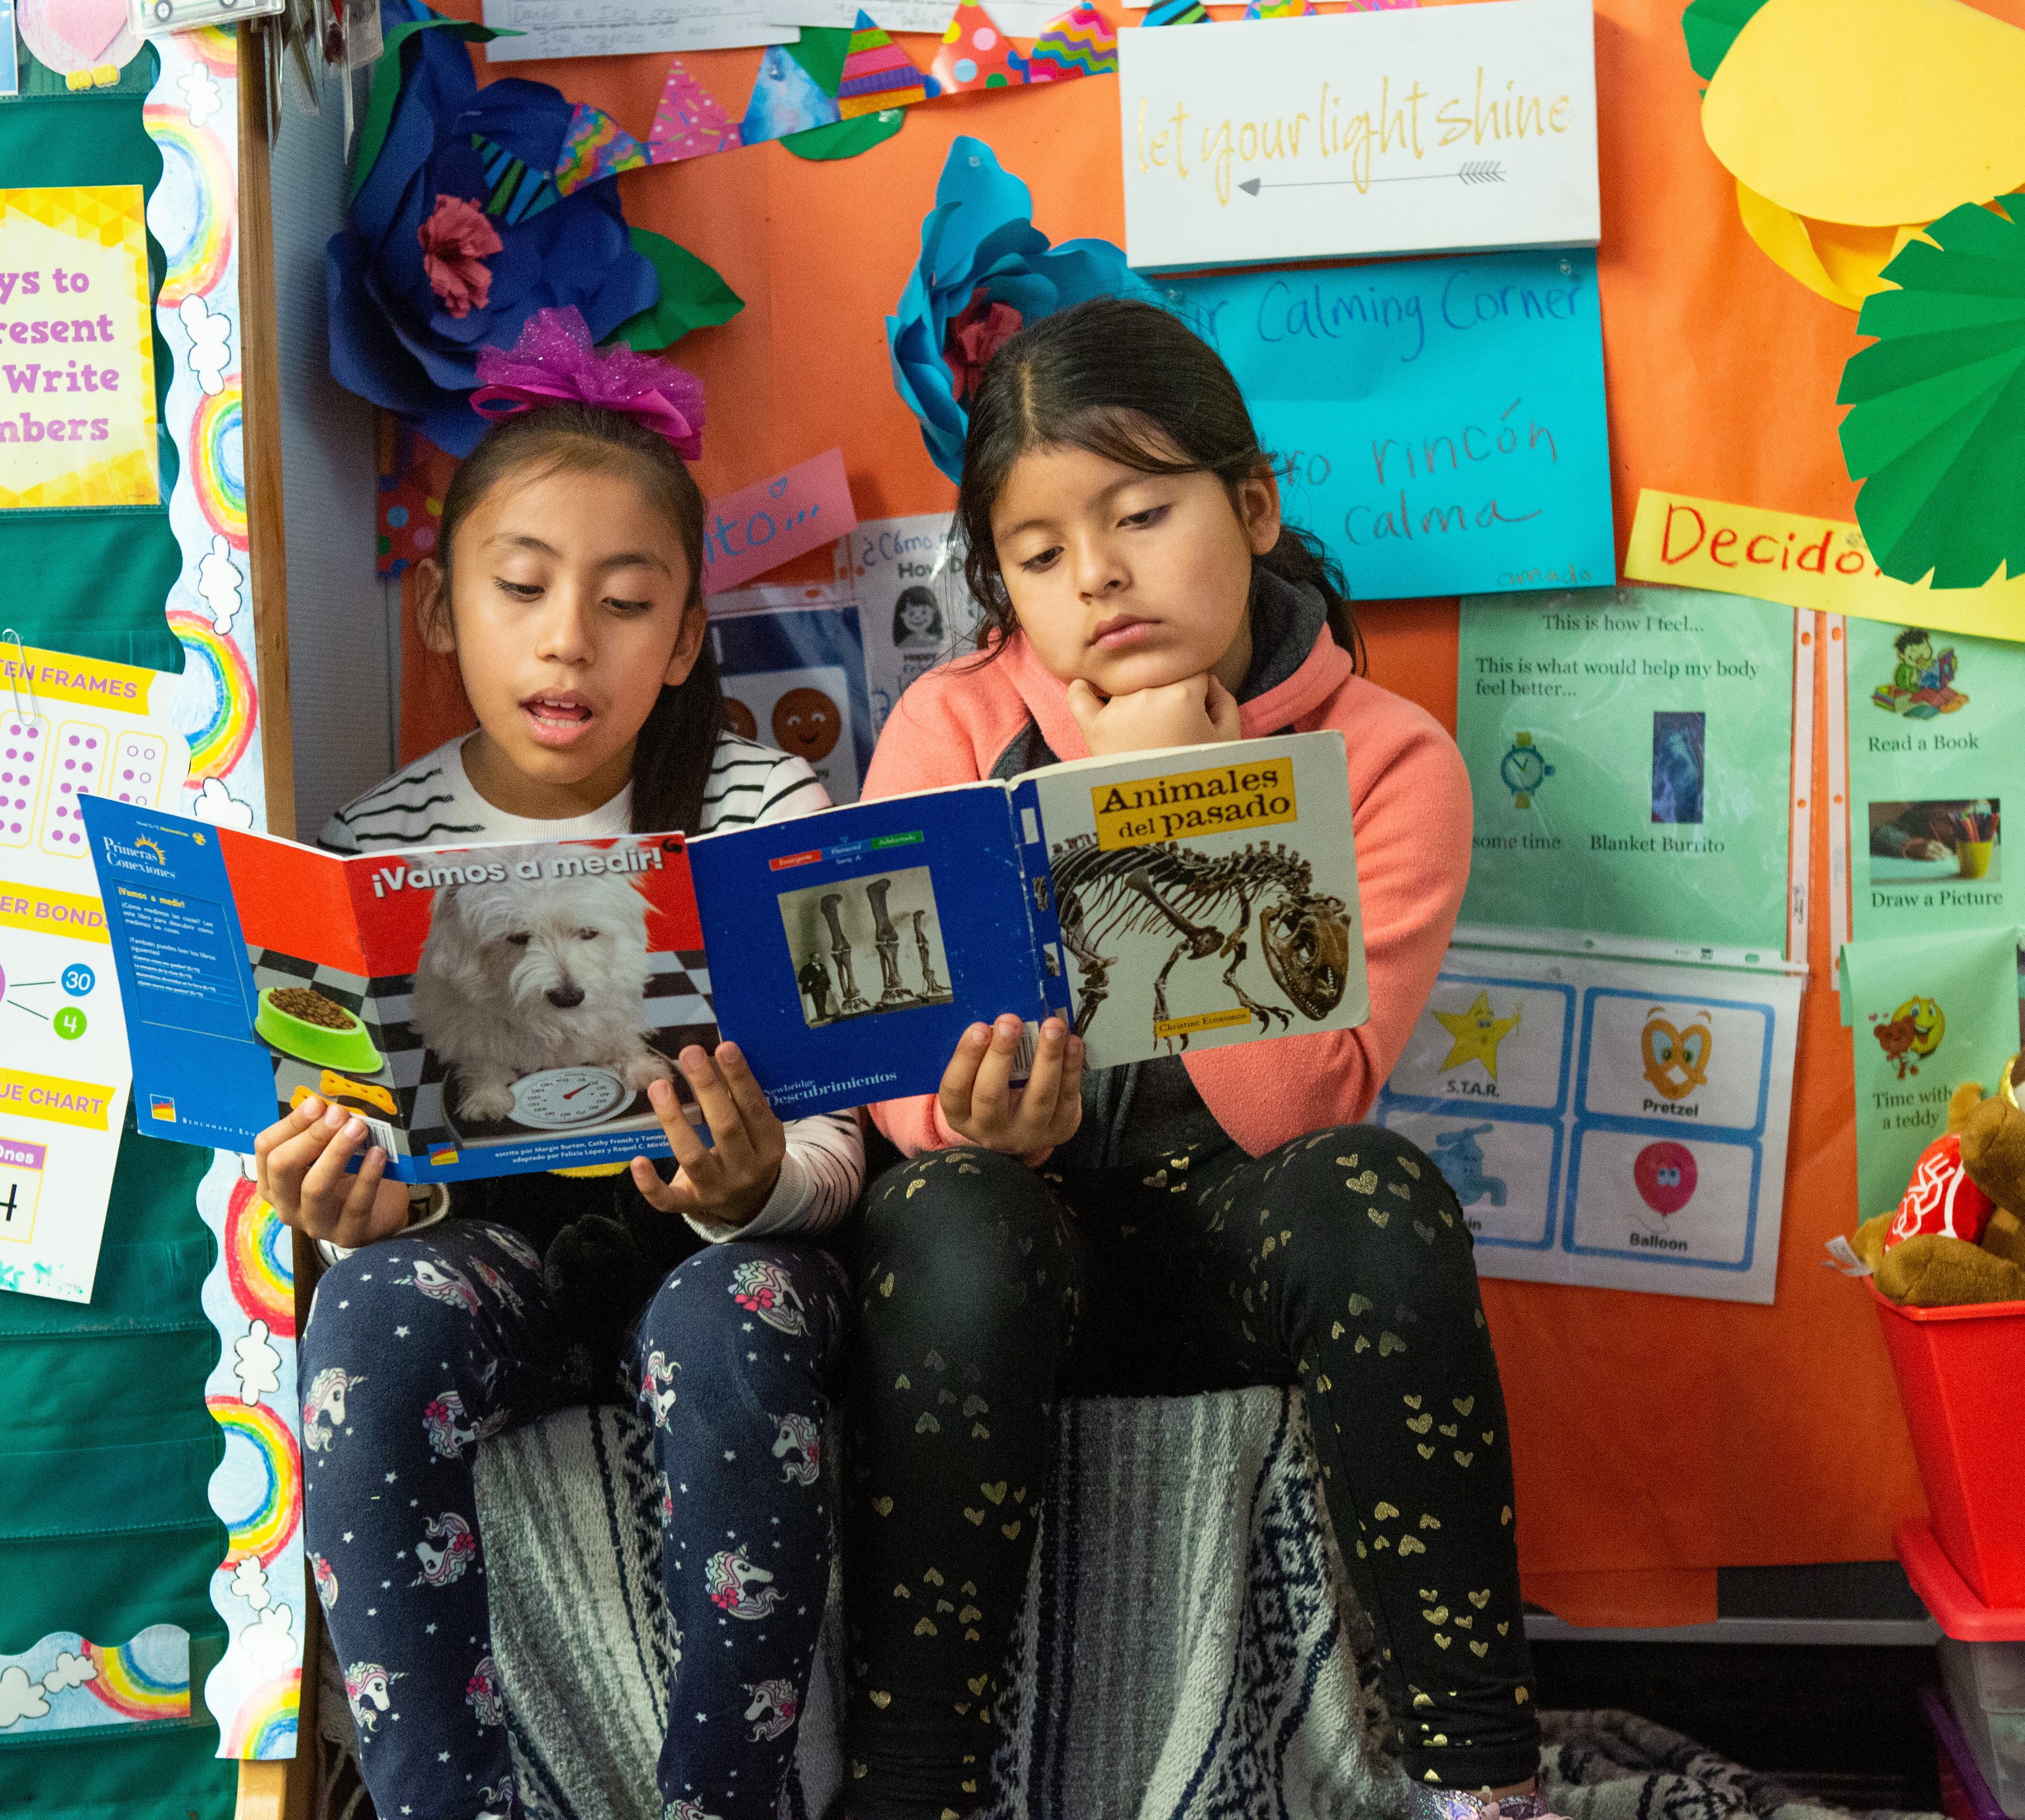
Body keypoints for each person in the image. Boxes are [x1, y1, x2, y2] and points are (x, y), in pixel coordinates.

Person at [842, 294, 1543, 1815]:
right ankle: (915, 1784)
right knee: (948, 1214)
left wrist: (1184, 801)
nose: (1098, 576)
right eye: (1040, 554)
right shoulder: (952, 728)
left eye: (1143, 514)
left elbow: (1307, 1100)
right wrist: (961, 1118)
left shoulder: (1386, 760)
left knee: (1375, 1189)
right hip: (1016, 1262)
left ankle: (1482, 1779)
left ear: (1254, 505)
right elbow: (897, 1092)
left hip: (1242, 1243)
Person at [258, 310, 861, 1820]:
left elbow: (846, 1132)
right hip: (488, 1260)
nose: (567, 639)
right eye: (521, 589)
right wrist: (342, 1207)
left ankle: (725, 1802)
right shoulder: (372, 846)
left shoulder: (763, 802)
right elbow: (336, 1145)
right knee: (372, 1315)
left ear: (682, 643)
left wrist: (754, 1183)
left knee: (745, 1313)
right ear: (443, 615)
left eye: (625, 601)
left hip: (713, 1248)